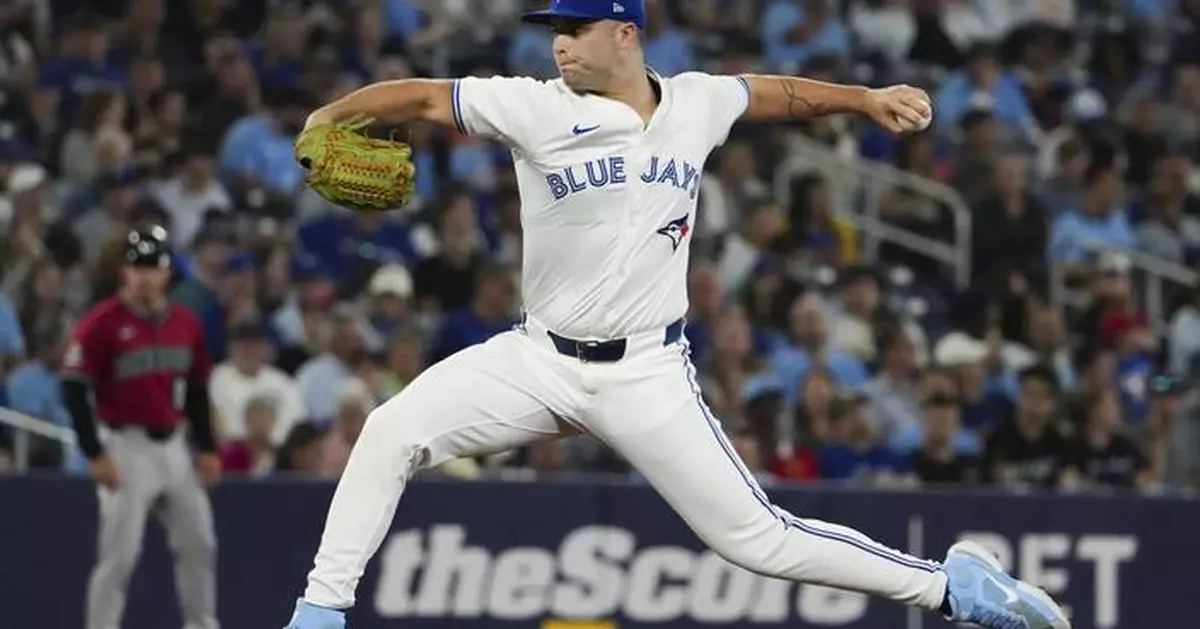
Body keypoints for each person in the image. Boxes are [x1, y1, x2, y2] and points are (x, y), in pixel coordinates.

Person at [283, 2, 1069, 629]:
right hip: (537, 359)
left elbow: (768, 93)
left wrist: (862, 99)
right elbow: (421, 96)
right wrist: (329, 115)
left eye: (576, 29)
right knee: (391, 428)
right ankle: (321, 608)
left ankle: (951, 588)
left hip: (645, 372)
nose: (560, 45)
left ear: (625, 34)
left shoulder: (694, 101)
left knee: (757, 539)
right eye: (556, 30)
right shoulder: (533, 107)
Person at [60, 225, 220, 629]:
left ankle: (201, 624)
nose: (146, 276)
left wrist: (207, 447)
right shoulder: (102, 323)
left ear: (167, 273)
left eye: (154, 267)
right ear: (125, 273)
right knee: (119, 557)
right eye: (139, 267)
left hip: (173, 446)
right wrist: (94, 452)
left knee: (199, 543)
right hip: (126, 446)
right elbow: (74, 388)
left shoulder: (186, 323)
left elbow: (197, 389)